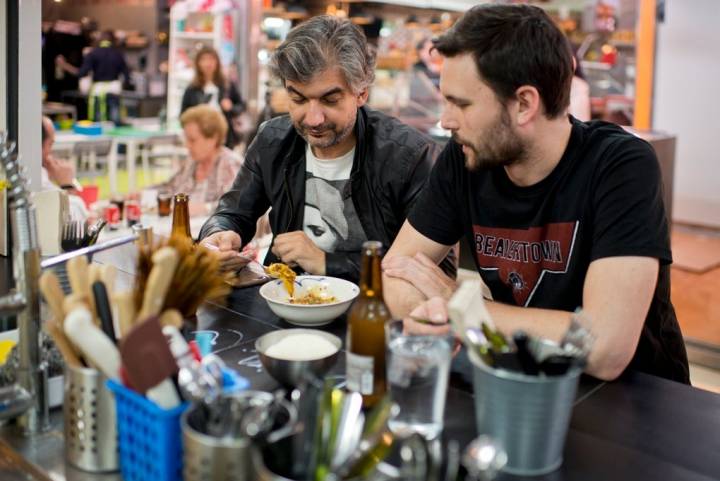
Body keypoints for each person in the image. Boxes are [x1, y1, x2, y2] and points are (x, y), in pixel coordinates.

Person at [382, 4, 689, 383]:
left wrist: (462, 304)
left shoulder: (620, 164)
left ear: (525, 104)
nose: (445, 120)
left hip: (633, 403)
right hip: (521, 380)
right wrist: (438, 312)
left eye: (461, 104)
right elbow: (394, 273)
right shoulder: (463, 158)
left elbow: (605, 348)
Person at [198, 15, 454, 283]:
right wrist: (220, 235)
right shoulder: (273, 140)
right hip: (284, 302)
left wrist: (325, 262)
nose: (313, 118)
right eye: (297, 98)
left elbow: (434, 272)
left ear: (362, 92)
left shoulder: (411, 156)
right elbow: (233, 213)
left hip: (371, 313)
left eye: (330, 100)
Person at [158, 105, 241, 216]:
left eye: (192, 140)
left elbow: (238, 207)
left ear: (213, 138)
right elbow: (168, 188)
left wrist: (205, 208)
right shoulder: (192, 161)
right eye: (186, 139)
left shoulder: (230, 165)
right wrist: (143, 195)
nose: (187, 145)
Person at [57, 30, 130, 125]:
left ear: (99, 40)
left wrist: (65, 65)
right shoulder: (118, 54)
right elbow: (127, 76)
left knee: (98, 124)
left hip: (98, 93)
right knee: (115, 123)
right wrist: (123, 86)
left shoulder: (93, 54)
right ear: (113, 40)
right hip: (114, 91)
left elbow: (81, 73)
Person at [181, 47, 246, 149]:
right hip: (200, 136)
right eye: (204, 59)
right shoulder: (192, 88)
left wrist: (231, 108)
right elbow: (183, 115)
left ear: (217, 62)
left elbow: (242, 106)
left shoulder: (227, 84)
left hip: (225, 136)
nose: (208, 63)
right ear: (198, 63)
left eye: (211, 59)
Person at [41, 117, 88, 220]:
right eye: (50, 144)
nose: (51, 152)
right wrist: (67, 186)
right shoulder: (38, 176)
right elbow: (73, 222)